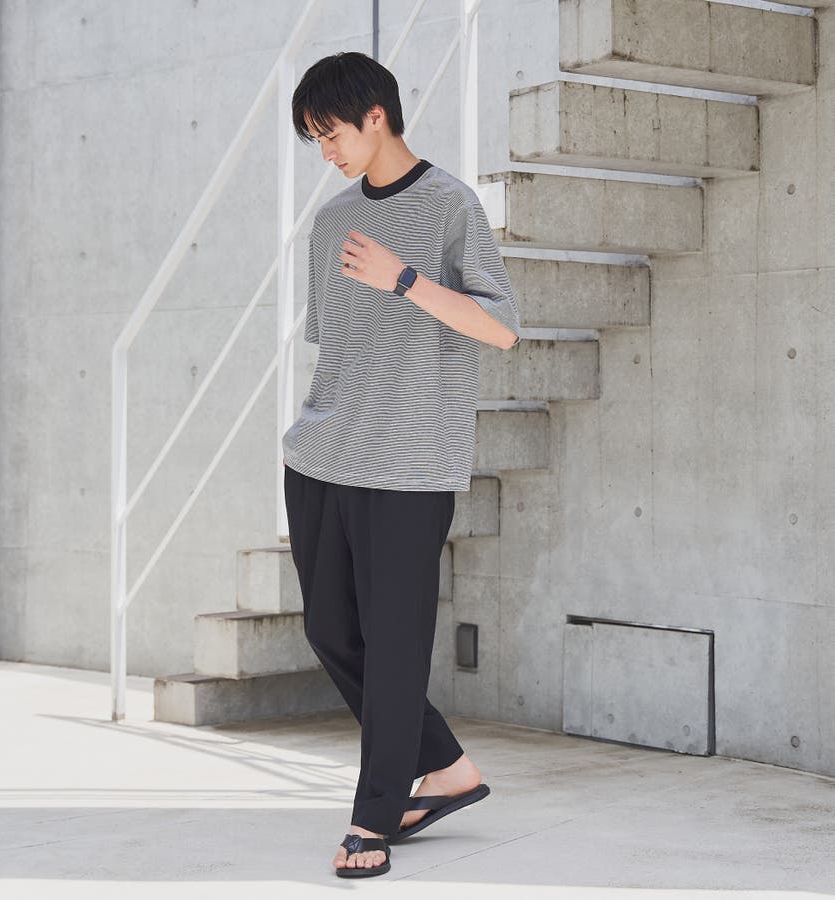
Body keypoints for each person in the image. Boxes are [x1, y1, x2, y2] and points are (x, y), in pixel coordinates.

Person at [281, 50, 521, 878]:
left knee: (393, 647)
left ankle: (374, 817)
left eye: (331, 134)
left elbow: (501, 328)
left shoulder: (452, 205)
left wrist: (406, 279)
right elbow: (336, 346)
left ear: (375, 115)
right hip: (323, 454)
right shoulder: (331, 222)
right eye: (315, 140)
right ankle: (446, 766)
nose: (326, 153)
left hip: (410, 464)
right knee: (329, 631)